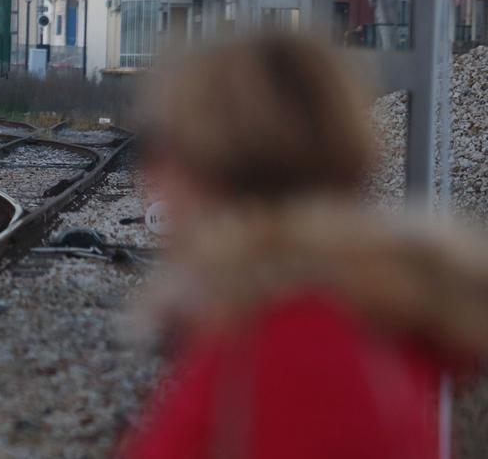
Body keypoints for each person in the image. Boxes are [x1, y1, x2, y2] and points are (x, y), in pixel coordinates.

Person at [119, 34, 488, 459]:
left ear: (210, 165)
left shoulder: (295, 353)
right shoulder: (310, 318)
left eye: (155, 147)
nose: (149, 175)